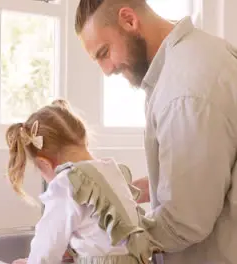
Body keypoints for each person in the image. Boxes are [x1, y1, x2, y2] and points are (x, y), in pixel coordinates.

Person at [75, 0, 237, 263]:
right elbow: (210, 175)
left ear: (129, 20)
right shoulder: (204, 52)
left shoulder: (184, 91)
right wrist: (128, 193)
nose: (107, 70)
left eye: (104, 52)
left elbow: (185, 221)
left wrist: (93, 246)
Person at [5, 99, 160, 264]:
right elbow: (100, 236)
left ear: (45, 163)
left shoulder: (66, 182)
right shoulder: (111, 170)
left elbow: (47, 244)